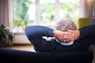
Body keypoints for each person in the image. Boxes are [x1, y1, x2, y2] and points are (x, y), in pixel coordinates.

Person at [25, 18, 95, 52]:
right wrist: (80, 33)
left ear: (57, 31)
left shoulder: (46, 47)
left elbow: (28, 30)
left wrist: (53, 33)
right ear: (75, 30)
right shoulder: (83, 45)